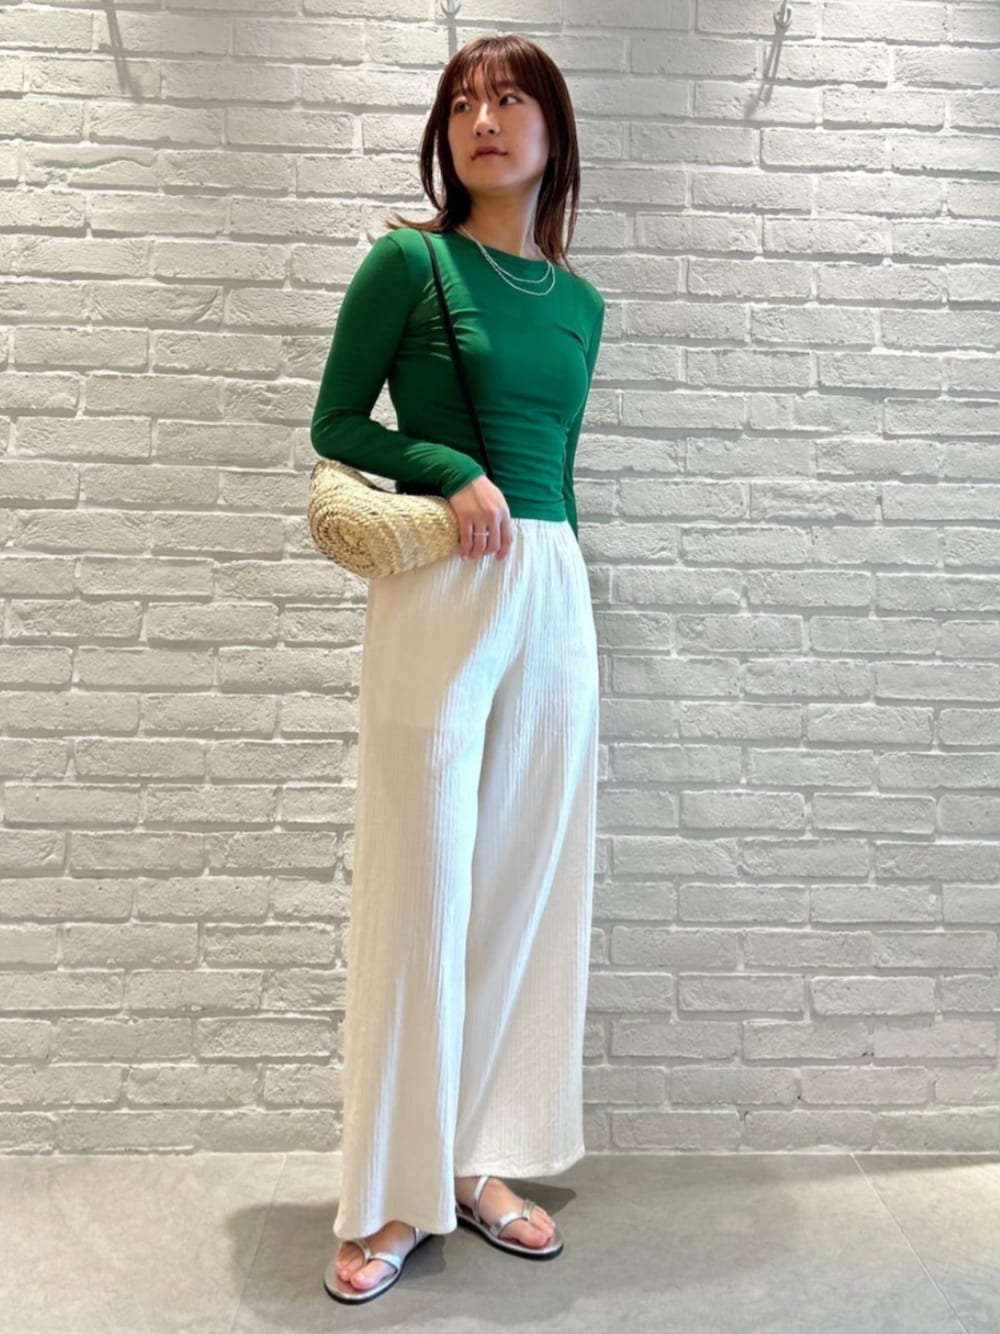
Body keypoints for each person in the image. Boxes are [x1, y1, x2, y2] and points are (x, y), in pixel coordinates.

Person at [310, 32, 605, 1305]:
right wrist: (446, 468)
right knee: (421, 874)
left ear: (552, 130)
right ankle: (392, 1186)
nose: (484, 118)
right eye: (464, 103)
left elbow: (560, 467)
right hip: (443, 579)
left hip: (552, 587)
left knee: (524, 880)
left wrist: (560, 579)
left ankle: (477, 1156)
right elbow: (334, 421)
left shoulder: (581, 304)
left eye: (511, 98)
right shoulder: (408, 261)